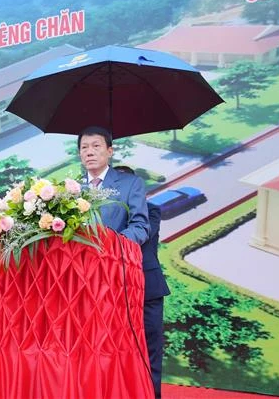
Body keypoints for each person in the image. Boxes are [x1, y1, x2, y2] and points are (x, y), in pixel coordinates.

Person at [115, 165, 170, 399]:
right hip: (114, 290)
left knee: (150, 348)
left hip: (148, 289)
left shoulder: (151, 211)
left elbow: (140, 237)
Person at [77, 126, 149, 245]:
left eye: (96, 146)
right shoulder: (71, 189)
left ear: (110, 151)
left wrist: (114, 244)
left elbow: (140, 226)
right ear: (80, 154)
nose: (89, 152)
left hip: (114, 259)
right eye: (84, 147)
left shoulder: (131, 184)